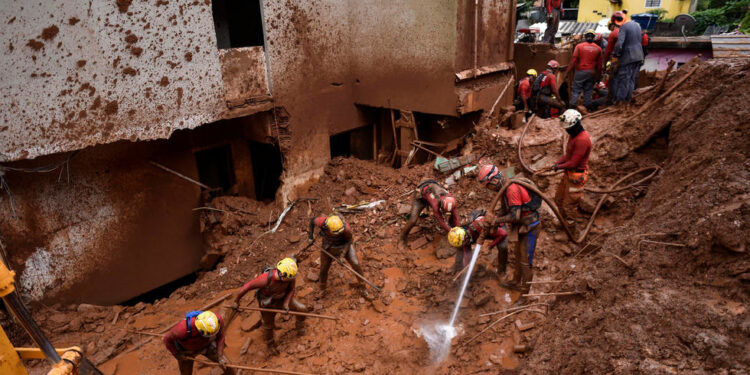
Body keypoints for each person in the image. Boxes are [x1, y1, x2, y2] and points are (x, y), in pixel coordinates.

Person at [476, 165, 542, 292]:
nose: (490, 189)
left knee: (525, 261)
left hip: (530, 227)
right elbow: (507, 209)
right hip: (522, 226)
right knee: (518, 255)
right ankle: (515, 281)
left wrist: (496, 221)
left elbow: (514, 216)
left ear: (494, 180)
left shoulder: (511, 189)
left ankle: (524, 293)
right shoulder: (504, 188)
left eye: (489, 186)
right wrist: (493, 217)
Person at [231, 258, 308, 354]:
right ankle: (270, 344)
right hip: (268, 305)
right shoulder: (265, 279)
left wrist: (286, 303)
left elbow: (291, 290)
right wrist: (236, 301)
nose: (292, 280)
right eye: (289, 278)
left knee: (301, 309)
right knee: (268, 325)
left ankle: (299, 327)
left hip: (282, 299)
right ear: (282, 274)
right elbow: (247, 287)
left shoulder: (290, 276)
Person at [551, 109, 592, 232]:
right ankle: (563, 222)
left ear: (575, 125)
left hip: (576, 176)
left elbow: (574, 163)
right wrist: (558, 162)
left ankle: (570, 229)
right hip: (569, 173)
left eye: (568, 128)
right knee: (558, 199)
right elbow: (568, 157)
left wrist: (558, 167)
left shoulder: (582, 140)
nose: (566, 130)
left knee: (569, 206)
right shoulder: (573, 135)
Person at [163, 310, 234, 375]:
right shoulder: (182, 329)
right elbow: (167, 339)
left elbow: (221, 336)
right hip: (187, 350)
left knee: (227, 365)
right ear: (199, 330)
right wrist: (177, 354)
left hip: (207, 345)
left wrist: (220, 355)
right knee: (186, 373)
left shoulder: (217, 321)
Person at [308, 214, 364, 290]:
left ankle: (363, 287)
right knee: (323, 269)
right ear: (328, 228)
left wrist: (342, 255)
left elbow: (349, 241)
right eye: (336, 233)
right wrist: (310, 237)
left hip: (344, 245)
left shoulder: (346, 229)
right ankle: (322, 289)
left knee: (356, 264)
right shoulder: (322, 222)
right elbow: (312, 221)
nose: (339, 234)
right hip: (328, 246)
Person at [447, 209, 508, 276]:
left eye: (465, 242)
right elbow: (467, 252)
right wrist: (469, 268)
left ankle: (502, 271)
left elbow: (503, 233)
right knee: (461, 246)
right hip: (482, 232)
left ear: (466, 236)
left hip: (498, 227)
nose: (465, 244)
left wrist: (490, 246)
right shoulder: (463, 235)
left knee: (503, 247)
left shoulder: (478, 227)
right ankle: (458, 265)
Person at [399, 179, 459, 245]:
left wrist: (458, 229)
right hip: (420, 197)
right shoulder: (435, 203)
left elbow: (455, 215)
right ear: (441, 205)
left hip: (430, 191)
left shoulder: (452, 200)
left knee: (451, 215)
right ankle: (402, 238)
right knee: (413, 219)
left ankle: (453, 233)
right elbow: (440, 219)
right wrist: (451, 231)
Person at [611, 12, 644, 104]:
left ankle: (620, 101)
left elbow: (620, 43)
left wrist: (616, 54)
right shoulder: (637, 26)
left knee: (624, 79)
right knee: (631, 79)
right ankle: (627, 99)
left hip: (628, 57)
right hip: (639, 56)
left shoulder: (623, 27)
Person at [566, 29, 603, 110]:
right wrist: (598, 78)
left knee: (576, 90)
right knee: (588, 91)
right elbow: (599, 66)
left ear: (585, 37)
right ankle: (588, 107)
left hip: (581, 71)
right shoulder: (598, 49)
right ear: (593, 37)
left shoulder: (579, 46)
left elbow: (573, 60)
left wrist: (567, 71)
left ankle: (572, 107)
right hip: (592, 73)